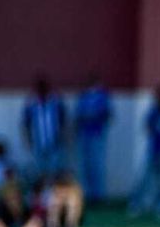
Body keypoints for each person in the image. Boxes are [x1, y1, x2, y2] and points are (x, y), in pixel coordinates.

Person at [128, 85, 160, 219]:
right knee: (144, 177)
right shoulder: (154, 111)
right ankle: (136, 203)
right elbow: (147, 126)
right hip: (153, 150)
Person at [74, 74, 114, 203]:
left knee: (97, 164)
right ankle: (86, 193)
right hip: (84, 134)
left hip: (97, 134)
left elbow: (108, 114)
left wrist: (96, 120)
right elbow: (78, 115)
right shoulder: (84, 96)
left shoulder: (103, 96)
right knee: (85, 165)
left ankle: (98, 194)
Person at [21, 76, 68, 183]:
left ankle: (53, 195)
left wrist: (63, 137)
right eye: (40, 88)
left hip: (55, 142)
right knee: (40, 171)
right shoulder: (31, 103)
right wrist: (28, 139)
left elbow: (63, 120)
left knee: (54, 170)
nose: (42, 91)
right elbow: (26, 123)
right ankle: (43, 196)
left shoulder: (56, 102)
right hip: (38, 142)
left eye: (44, 88)